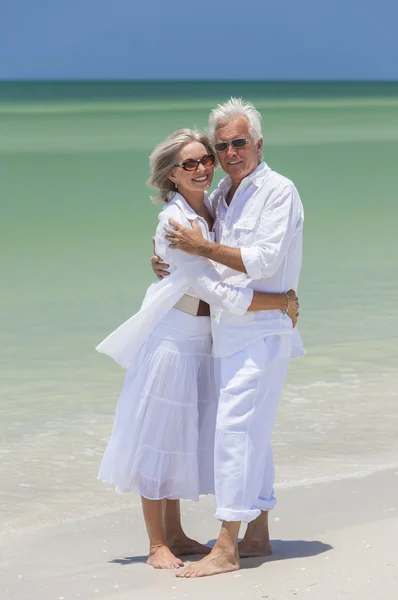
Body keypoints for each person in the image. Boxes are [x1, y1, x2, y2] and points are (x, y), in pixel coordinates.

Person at [96, 128, 299, 570]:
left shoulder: (216, 203)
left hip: (204, 339)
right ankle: (157, 543)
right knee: (158, 436)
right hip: (173, 337)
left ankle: (176, 532)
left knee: (183, 435)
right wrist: (280, 301)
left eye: (205, 158)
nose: (204, 167)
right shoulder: (177, 220)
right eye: (190, 163)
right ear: (172, 174)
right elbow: (213, 286)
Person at [151, 98, 305, 577]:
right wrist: (168, 261)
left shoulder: (279, 191)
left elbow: (263, 261)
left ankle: (226, 547)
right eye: (223, 147)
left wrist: (201, 249)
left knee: (234, 432)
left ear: (258, 144)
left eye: (239, 143)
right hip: (229, 332)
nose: (231, 152)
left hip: (260, 332)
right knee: (251, 431)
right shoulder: (222, 192)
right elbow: (194, 248)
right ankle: (258, 533)